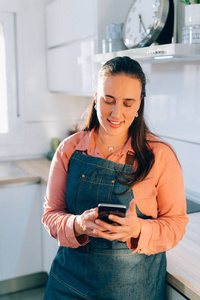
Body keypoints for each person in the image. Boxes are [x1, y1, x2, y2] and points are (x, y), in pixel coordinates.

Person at [42, 56, 189, 299]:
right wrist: (77, 224)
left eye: (128, 103)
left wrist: (137, 228)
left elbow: (176, 225)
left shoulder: (159, 156)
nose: (116, 113)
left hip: (132, 290)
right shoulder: (69, 149)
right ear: (96, 98)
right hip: (68, 282)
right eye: (108, 100)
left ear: (140, 104)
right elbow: (50, 215)